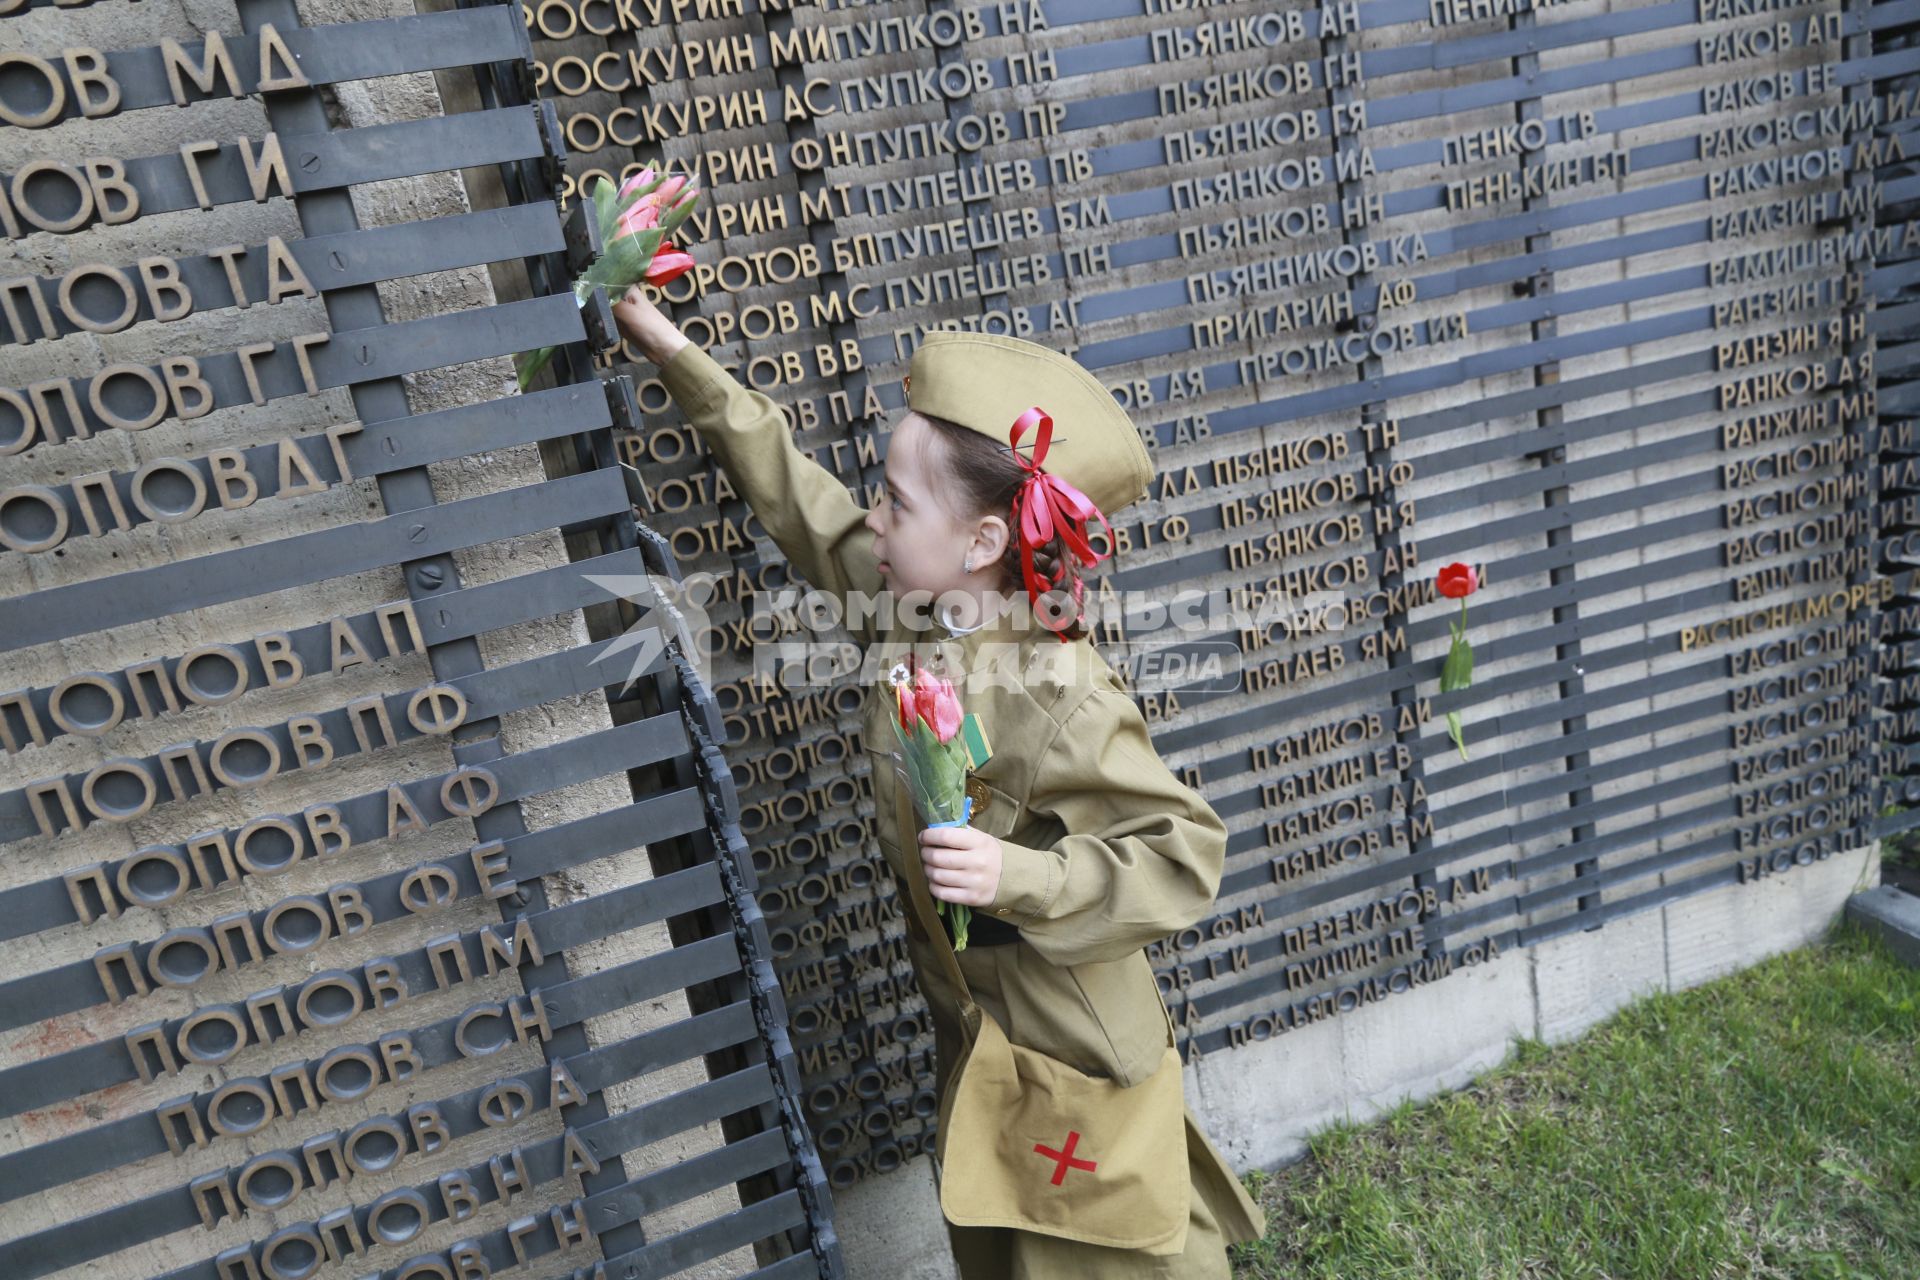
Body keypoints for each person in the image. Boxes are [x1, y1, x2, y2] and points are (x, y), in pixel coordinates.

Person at [612, 285, 1267, 1279]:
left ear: (983, 544)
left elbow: (1183, 855)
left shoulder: (1059, 693)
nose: (872, 514)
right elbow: (802, 500)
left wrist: (1019, 874)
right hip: (978, 1033)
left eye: (895, 499)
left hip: (1067, 1049)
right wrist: (672, 352)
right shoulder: (911, 608)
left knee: (1109, 1257)